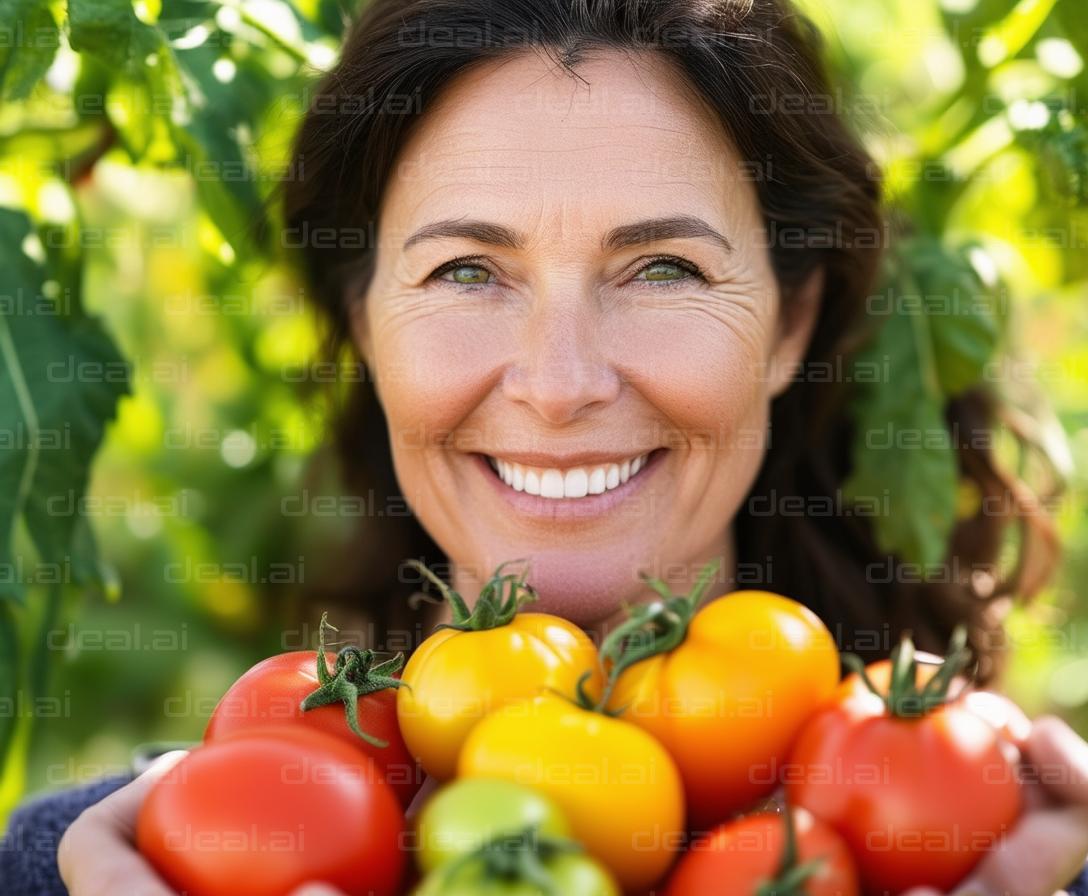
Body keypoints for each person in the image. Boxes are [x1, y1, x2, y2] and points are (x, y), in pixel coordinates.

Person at [4, 1, 1088, 894]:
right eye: (466, 272)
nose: (561, 384)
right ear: (366, 324)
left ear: (788, 324)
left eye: (662, 268)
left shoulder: (1036, 864)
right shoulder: (76, 869)